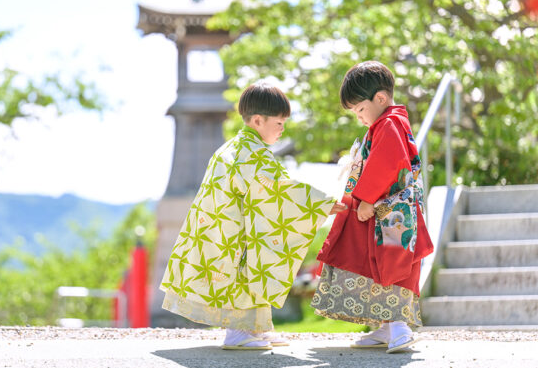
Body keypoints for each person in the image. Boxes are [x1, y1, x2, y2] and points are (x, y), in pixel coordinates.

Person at [160, 81, 347, 350]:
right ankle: (238, 331)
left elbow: (272, 188)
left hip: (221, 229)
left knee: (256, 264)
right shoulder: (251, 154)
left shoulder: (235, 148)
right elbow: (278, 189)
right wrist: (320, 203)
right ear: (258, 120)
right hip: (234, 233)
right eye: (279, 123)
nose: (282, 130)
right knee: (250, 267)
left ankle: (255, 328)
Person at [311, 61, 434, 354]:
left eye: (360, 110)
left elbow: (387, 161)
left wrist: (366, 198)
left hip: (389, 211)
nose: (360, 117)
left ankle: (400, 329)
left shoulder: (390, 123)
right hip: (386, 210)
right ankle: (384, 327)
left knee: (392, 265)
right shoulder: (386, 122)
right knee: (376, 264)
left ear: (380, 99)